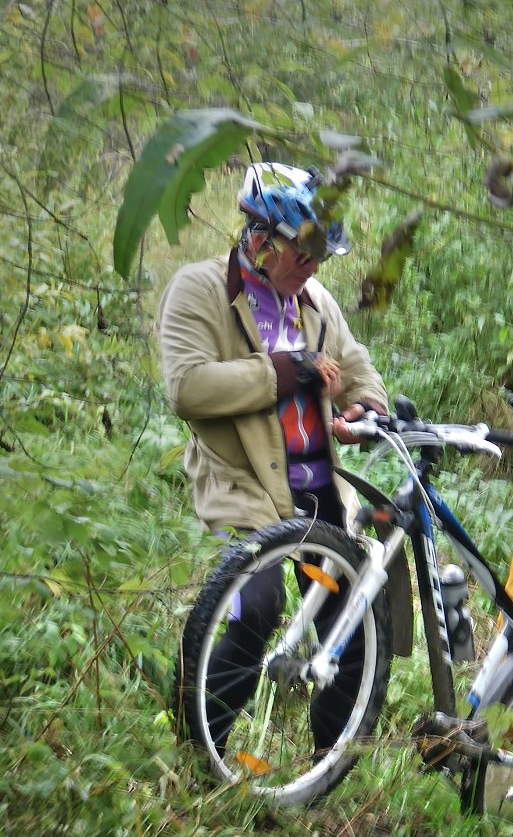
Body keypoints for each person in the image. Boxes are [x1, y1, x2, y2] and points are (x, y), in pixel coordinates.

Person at [158, 161, 388, 751]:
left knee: (355, 618)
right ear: (260, 242)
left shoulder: (314, 301)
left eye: (318, 258)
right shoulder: (200, 289)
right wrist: (283, 372)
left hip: (318, 488)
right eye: (303, 254)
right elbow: (186, 387)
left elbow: (359, 371)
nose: (312, 269)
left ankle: (328, 762)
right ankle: (200, 746)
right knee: (258, 604)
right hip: (246, 485)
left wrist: (365, 410)